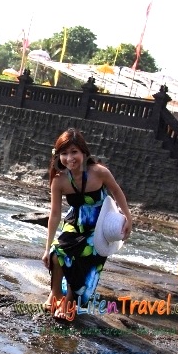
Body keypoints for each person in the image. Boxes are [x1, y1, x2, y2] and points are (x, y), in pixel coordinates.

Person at [42, 128, 132, 318]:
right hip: (75, 222)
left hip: (99, 224)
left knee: (85, 253)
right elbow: (55, 214)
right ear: (58, 156)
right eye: (64, 153)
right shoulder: (59, 181)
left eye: (74, 152)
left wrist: (128, 218)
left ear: (83, 152)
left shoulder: (99, 172)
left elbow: (116, 191)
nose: (69, 158)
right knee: (56, 252)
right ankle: (56, 293)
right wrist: (46, 246)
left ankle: (69, 301)